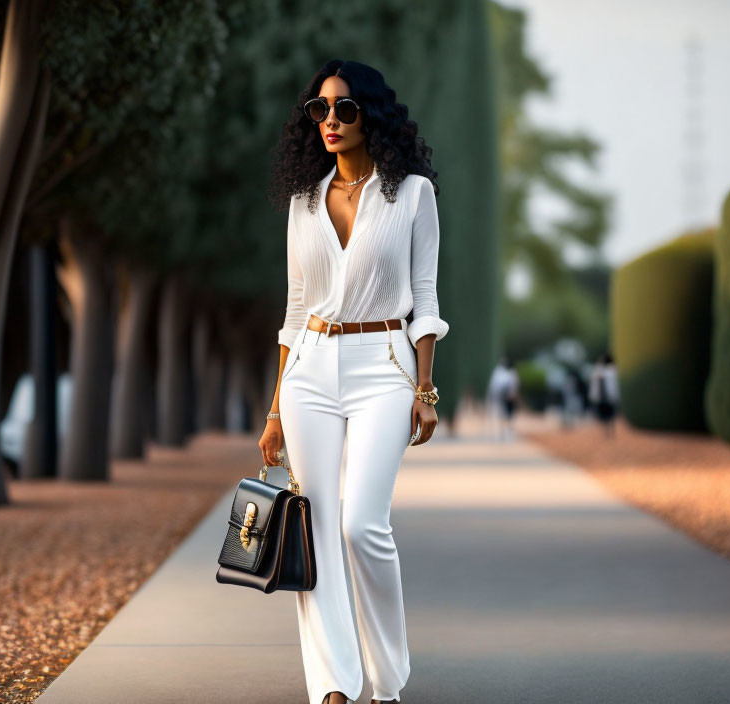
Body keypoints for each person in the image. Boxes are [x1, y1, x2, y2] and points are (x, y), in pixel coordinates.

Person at [260, 60, 449, 704]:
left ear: (373, 114)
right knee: (313, 529)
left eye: (344, 109)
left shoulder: (413, 194)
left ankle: (387, 679)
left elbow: (425, 299)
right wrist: (276, 409)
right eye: (319, 110)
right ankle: (333, 685)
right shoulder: (303, 201)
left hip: (384, 368)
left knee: (361, 524)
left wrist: (425, 389)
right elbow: (292, 312)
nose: (331, 122)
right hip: (311, 367)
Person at [486, 356, 519, 440]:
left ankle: (509, 430)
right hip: (502, 396)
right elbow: (494, 386)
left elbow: (514, 385)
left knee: (510, 414)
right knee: (503, 413)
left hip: (508, 396)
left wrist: (513, 394)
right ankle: (504, 430)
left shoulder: (511, 373)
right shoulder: (498, 373)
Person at [588, 352, 620, 436]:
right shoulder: (599, 371)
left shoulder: (611, 370)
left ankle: (610, 430)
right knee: (605, 415)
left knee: (609, 414)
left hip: (608, 396)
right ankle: (607, 430)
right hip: (602, 396)